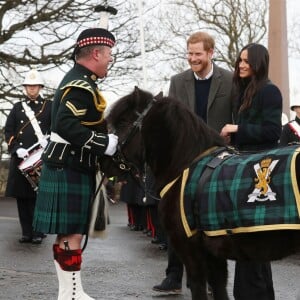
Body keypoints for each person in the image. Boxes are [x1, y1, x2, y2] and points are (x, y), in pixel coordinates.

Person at [32, 28, 118, 299]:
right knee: (71, 234)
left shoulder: (81, 80)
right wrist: (104, 144)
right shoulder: (79, 84)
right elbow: (65, 124)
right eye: (109, 55)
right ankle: (69, 294)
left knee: (69, 234)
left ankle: (71, 291)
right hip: (69, 164)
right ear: (96, 53)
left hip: (68, 163)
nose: (110, 60)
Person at [153, 31, 235, 295]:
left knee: (212, 221)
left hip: (217, 160)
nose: (192, 58)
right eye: (189, 53)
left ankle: (214, 281)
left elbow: (235, 117)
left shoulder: (230, 81)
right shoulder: (177, 82)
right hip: (185, 159)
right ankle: (173, 276)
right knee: (178, 220)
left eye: (198, 54)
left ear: (210, 53)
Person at [220, 43, 282, 300]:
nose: (241, 64)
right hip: (245, 166)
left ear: (258, 63)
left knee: (251, 235)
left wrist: (236, 130)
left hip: (261, 171)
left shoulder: (269, 91)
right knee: (247, 235)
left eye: (246, 61)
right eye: (240, 60)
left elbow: (272, 132)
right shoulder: (243, 91)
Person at [4, 69, 51, 244]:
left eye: (35, 86)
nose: (32, 89)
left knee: (39, 197)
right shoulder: (17, 108)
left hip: (40, 158)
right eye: (29, 86)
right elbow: (8, 131)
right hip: (21, 158)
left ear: (40, 87)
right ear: (25, 88)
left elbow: (56, 129)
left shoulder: (49, 106)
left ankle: (38, 232)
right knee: (22, 197)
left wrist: (49, 142)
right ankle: (26, 232)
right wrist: (16, 148)